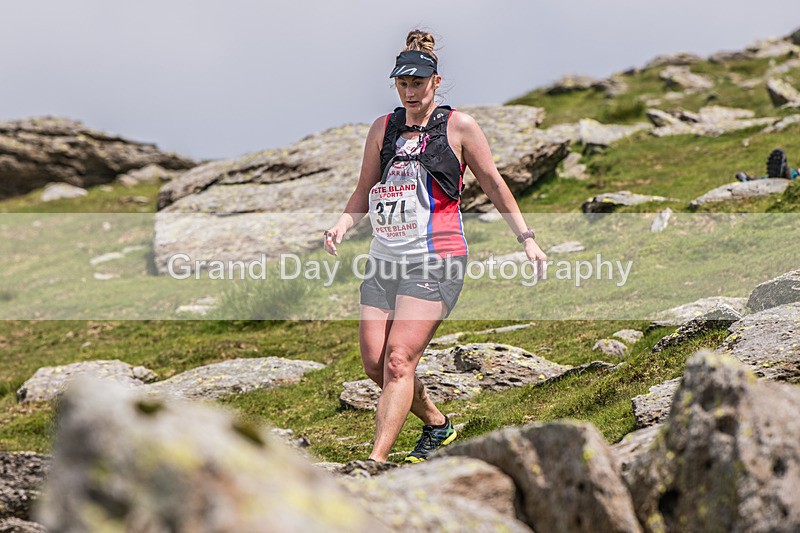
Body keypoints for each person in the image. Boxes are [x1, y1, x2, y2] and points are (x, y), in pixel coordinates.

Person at [323, 29, 547, 463]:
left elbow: (496, 186)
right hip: (384, 260)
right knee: (375, 364)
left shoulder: (458, 126)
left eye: (418, 83)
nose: (410, 91)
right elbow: (364, 190)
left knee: (399, 359)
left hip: (437, 258)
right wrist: (341, 226)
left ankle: (375, 462)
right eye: (402, 83)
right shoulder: (383, 129)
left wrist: (528, 239)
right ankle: (438, 425)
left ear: (435, 82)